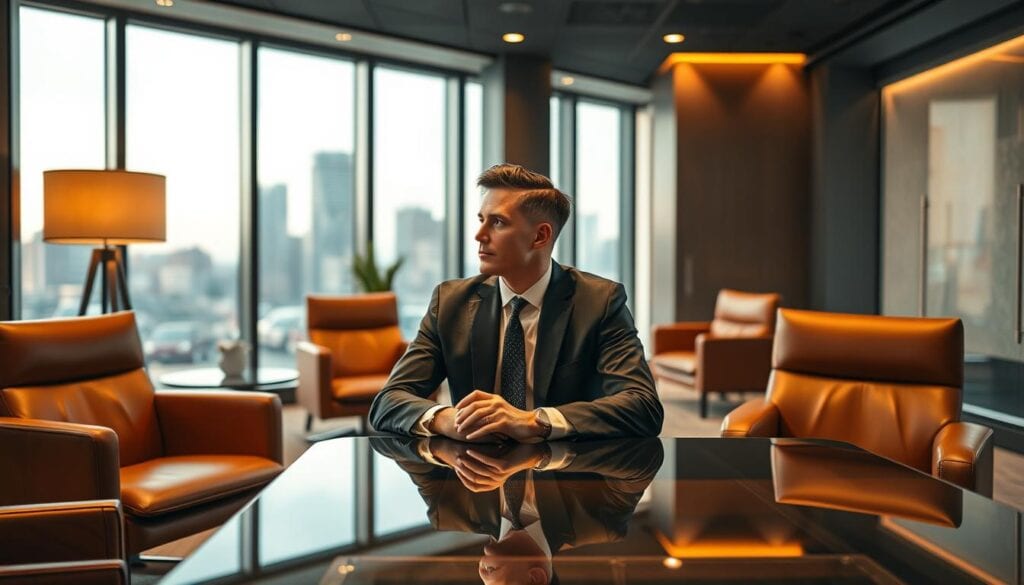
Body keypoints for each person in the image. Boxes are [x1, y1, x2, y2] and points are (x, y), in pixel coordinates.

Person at [369, 163, 662, 441]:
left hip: (568, 476)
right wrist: (447, 419)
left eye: (497, 222)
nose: (479, 235)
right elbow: (388, 401)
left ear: (540, 236)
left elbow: (642, 406)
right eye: (482, 220)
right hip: (475, 477)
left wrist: (534, 421)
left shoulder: (599, 302)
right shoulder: (451, 302)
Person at [370, 436, 664, 585]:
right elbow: (644, 463)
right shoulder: (601, 522)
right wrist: (541, 450)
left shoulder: (450, 512)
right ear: (535, 579)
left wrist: (443, 445)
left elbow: (393, 447)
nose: (482, 576)